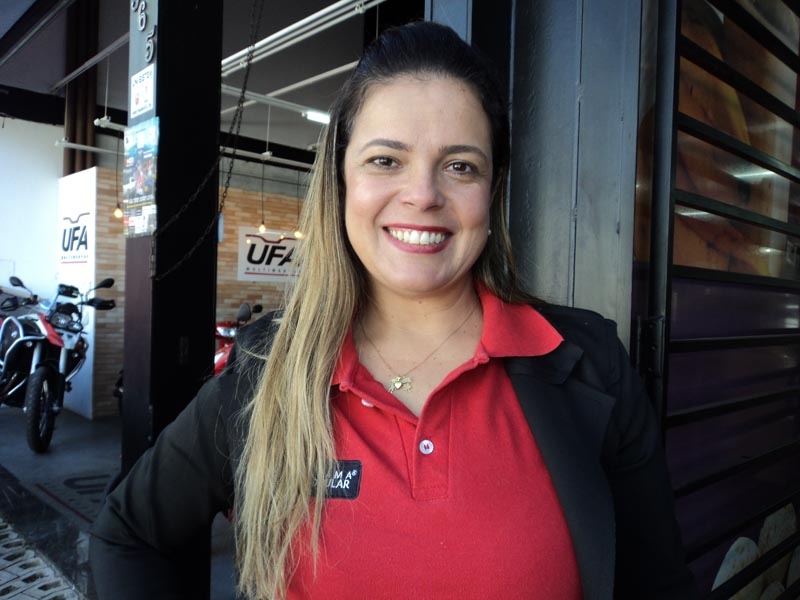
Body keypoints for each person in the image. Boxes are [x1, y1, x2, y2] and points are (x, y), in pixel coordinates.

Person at [89, 20, 698, 600]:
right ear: (341, 180)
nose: (424, 194)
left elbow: (659, 585)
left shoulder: (588, 365)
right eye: (386, 160)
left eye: (461, 166)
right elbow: (128, 536)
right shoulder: (267, 368)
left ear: (492, 192)